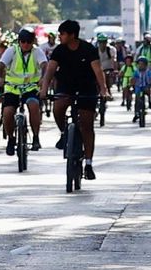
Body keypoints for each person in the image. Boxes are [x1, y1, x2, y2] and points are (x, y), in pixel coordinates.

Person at [43, 19, 108, 181]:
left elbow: (98, 71)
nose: (59, 37)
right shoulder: (59, 50)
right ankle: (64, 133)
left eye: (62, 34)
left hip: (87, 87)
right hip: (66, 86)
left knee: (87, 125)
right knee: (58, 108)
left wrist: (103, 89)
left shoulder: (88, 49)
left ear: (72, 35)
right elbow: (50, 70)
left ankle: (88, 163)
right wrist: (44, 89)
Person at [0, 28, 46, 154]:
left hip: (31, 87)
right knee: (7, 112)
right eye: (23, 41)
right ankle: (11, 139)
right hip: (13, 88)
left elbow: (45, 65)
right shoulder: (12, 50)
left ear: (32, 42)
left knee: (34, 106)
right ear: (19, 41)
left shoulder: (37, 51)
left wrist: (43, 78)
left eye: (29, 41)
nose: (26, 44)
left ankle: (35, 137)